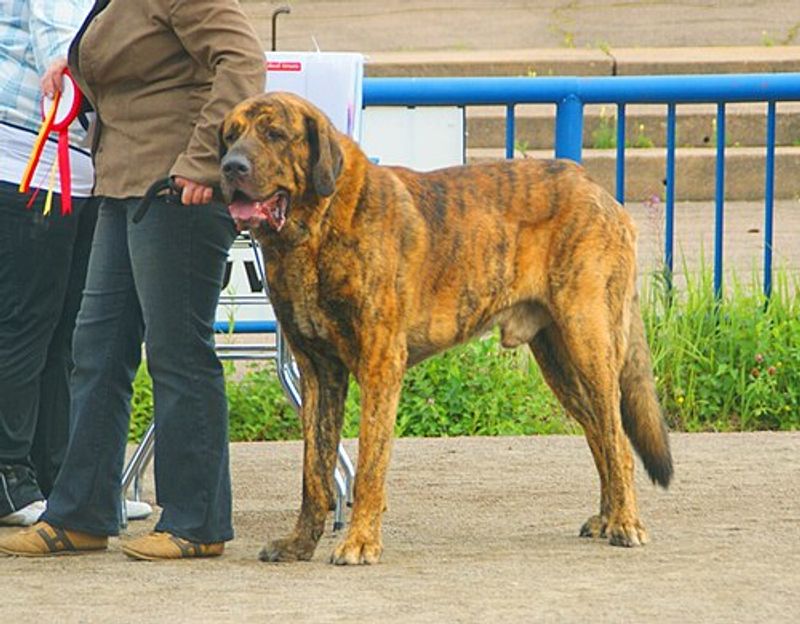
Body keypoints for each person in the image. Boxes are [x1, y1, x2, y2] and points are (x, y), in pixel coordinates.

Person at [0, 0, 265, 559]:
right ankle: (80, 513)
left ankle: (196, 523)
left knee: (178, 352)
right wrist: (77, 74)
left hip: (177, 190)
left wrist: (205, 161)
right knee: (95, 351)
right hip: (124, 183)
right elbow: (142, 68)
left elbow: (242, 59)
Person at [0, 0, 99, 527]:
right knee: (25, 325)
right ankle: (9, 477)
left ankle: (58, 478)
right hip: (30, 159)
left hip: (71, 166)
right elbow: (64, 53)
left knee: (63, 331)